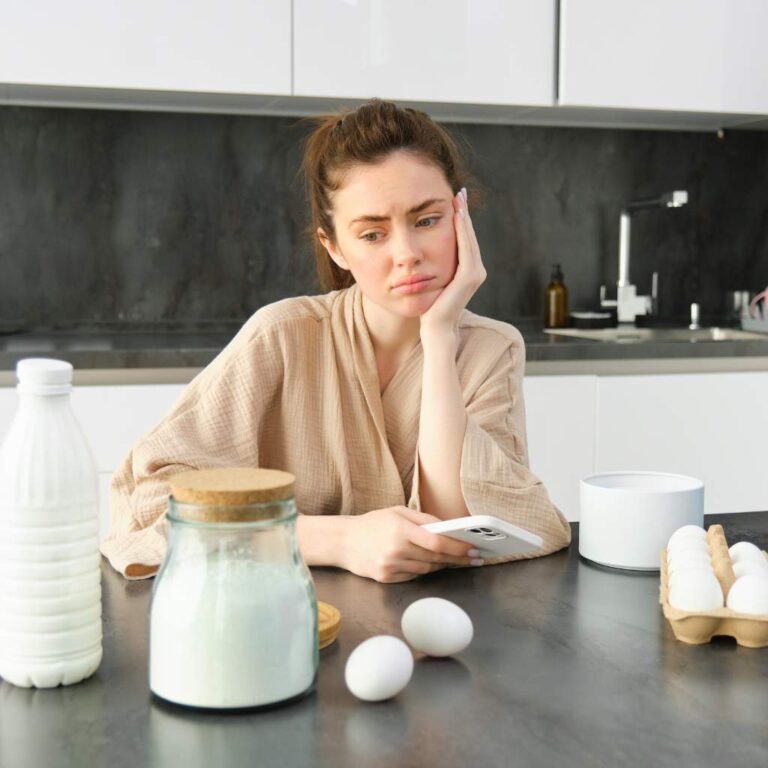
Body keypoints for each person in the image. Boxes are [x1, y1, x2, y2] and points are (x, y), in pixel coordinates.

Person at [100, 98, 571, 582]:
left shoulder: (492, 349)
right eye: (372, 234)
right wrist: (336, 539)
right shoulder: (283, 335)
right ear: (334, 247)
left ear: (459, 215)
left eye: (427, 220)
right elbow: (154, 502)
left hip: (431, 617)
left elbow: (457, 529)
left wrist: (438, 336)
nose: (407, 253)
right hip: (281, 609)